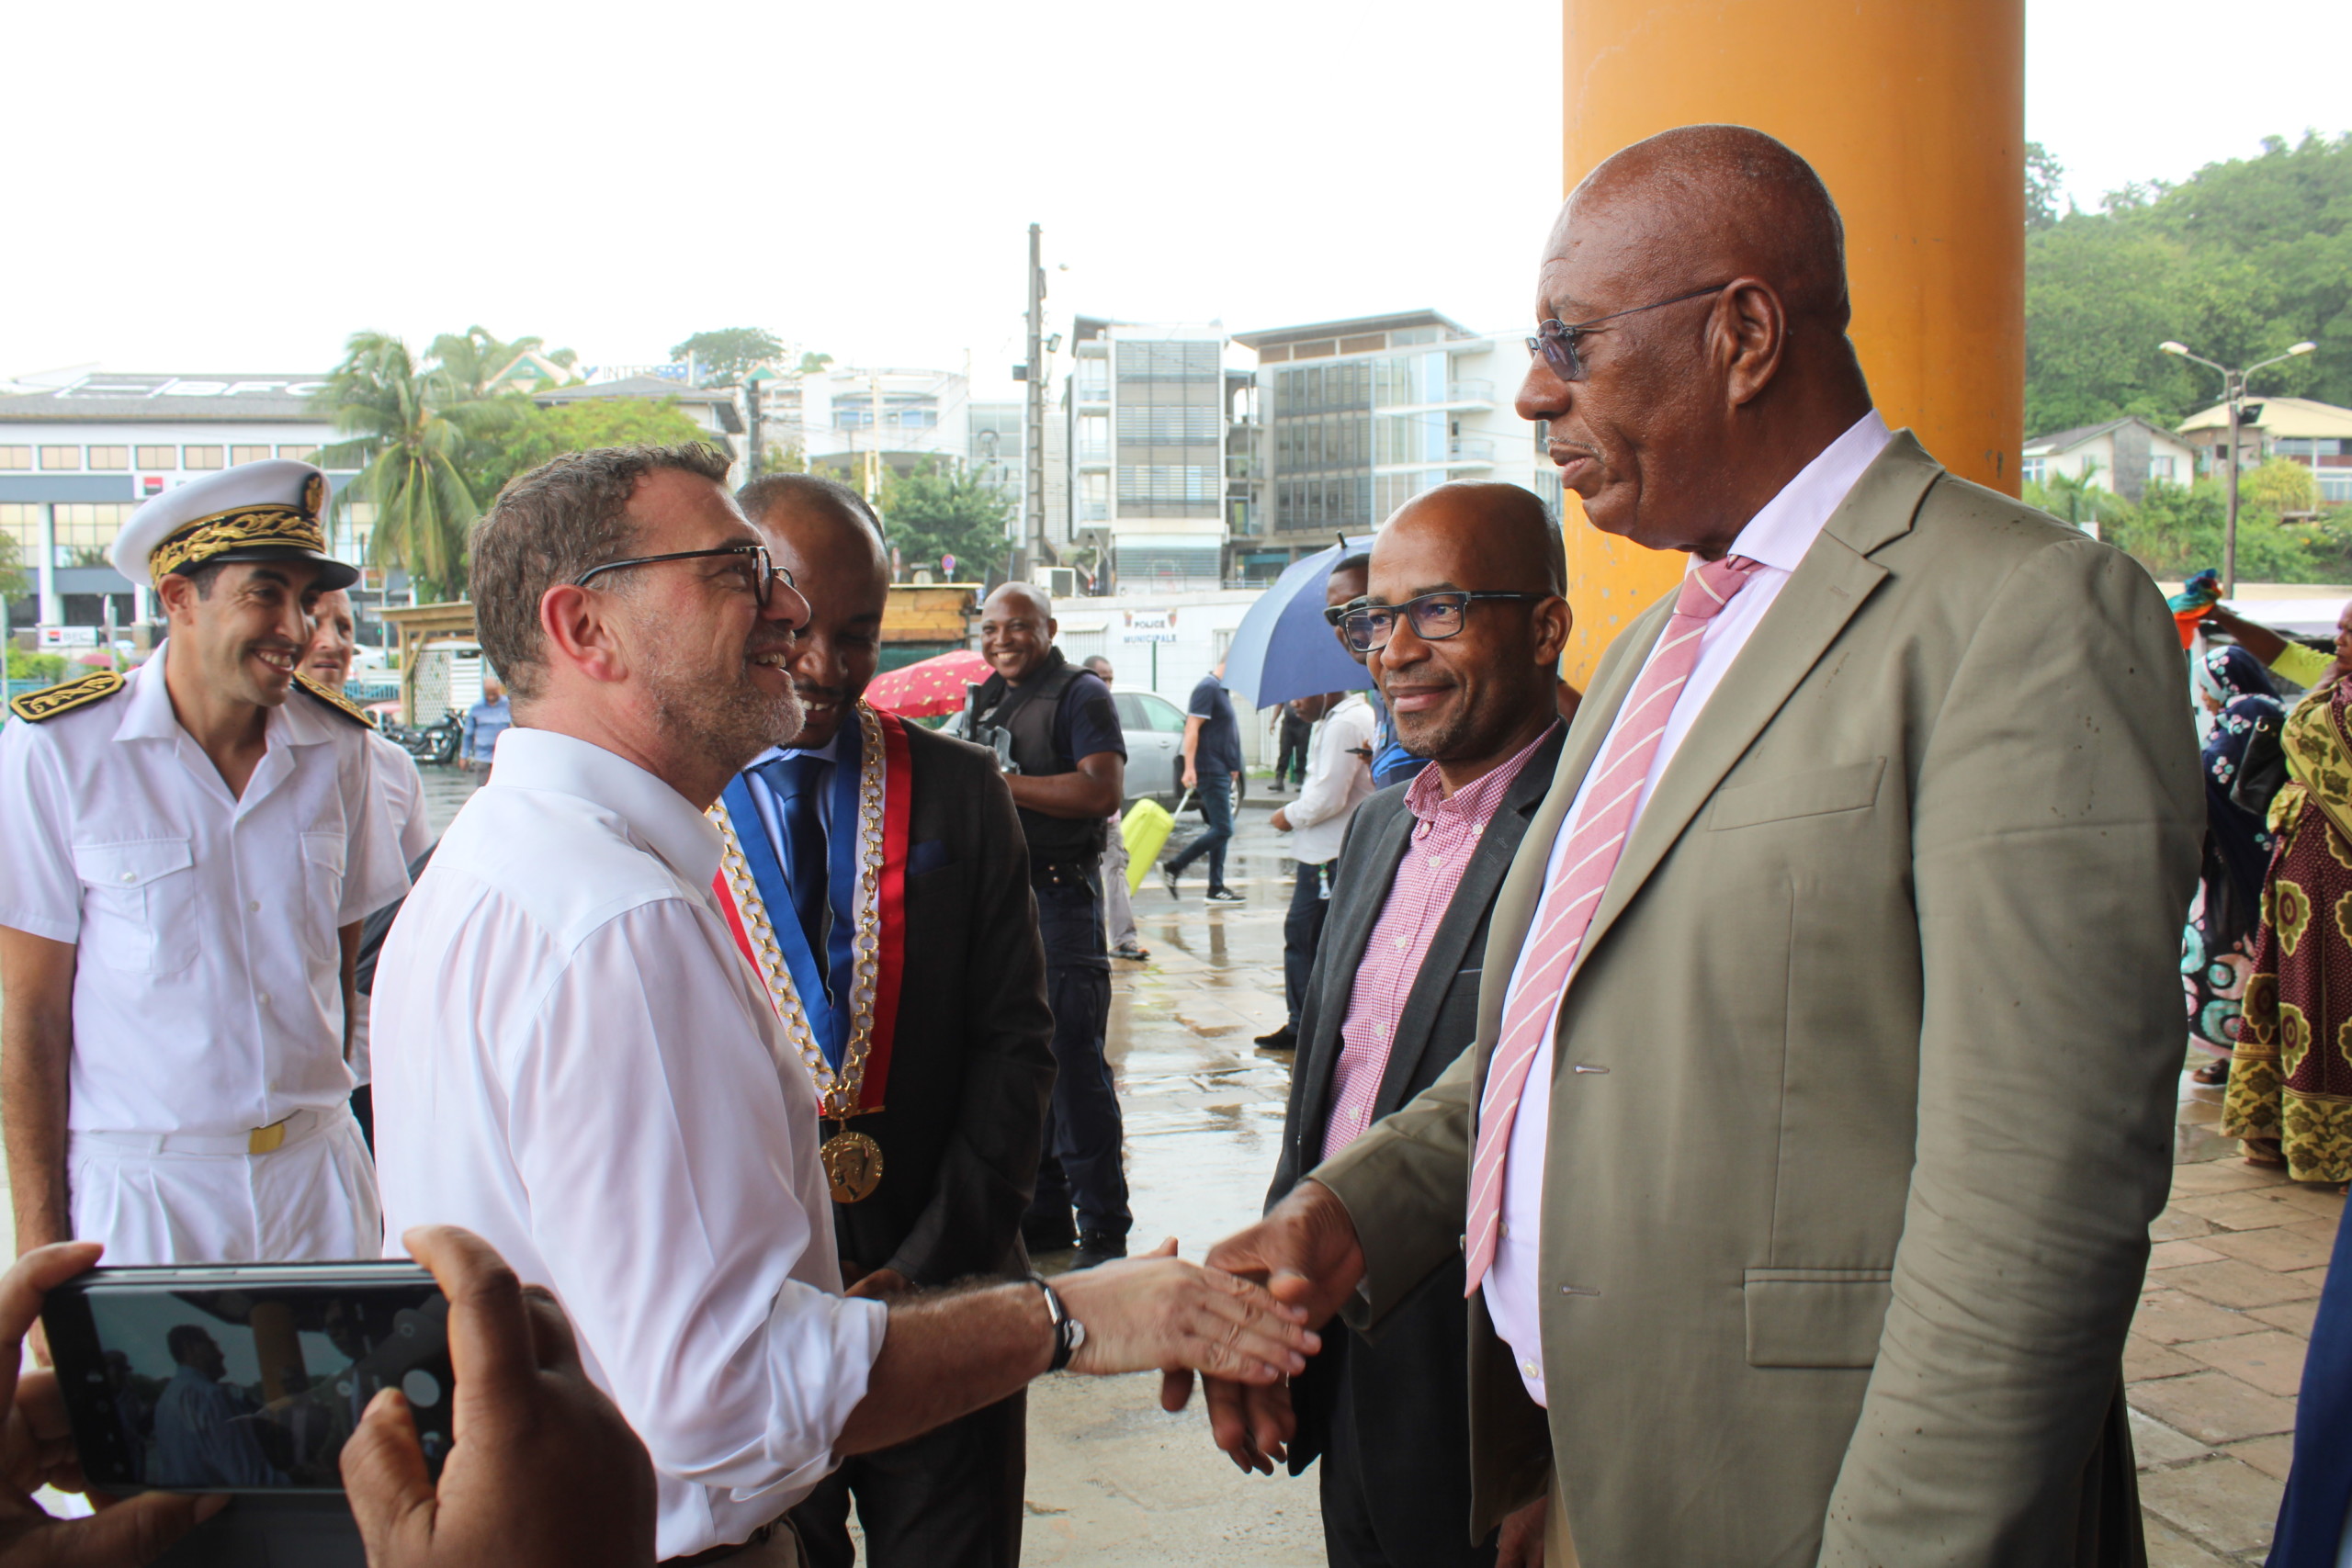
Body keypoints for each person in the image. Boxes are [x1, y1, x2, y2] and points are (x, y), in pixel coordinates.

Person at [1189, 125, 2199, 1565]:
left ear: (1742, 332)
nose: (1537, 393)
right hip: (1604, 1467)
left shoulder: (2019, 615)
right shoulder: (1673, 636)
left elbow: (2041, 1205)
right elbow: (1552, 1037)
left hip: (1810, 1498)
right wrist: (1343, 1216)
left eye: (1572, 342)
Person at [372, 446, 1311, 1565]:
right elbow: (723, 1402)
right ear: (586, 629)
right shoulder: (617, 924)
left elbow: (1015, 1049)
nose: (785, 610)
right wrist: (1076, 1316)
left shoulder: (490, 862)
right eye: (735, 571)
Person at [724, 474, 1057, 1568]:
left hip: (949, 1280)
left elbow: (1016, 1046)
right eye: (796, 629)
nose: (825, 666)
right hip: (751, 1316)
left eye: (858, 635)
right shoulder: (669, 807)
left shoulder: (961, 792)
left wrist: (927, 1266)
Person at [1261, 482, 1571, 1568]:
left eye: (1436, 611)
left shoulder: (1601, 823)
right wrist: (1274, 1327)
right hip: (1348, 1344)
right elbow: (1330, 1091)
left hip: (1494, 1385)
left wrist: (1556, 1457)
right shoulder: (1387, 817)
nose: (1391, 651)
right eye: (1371, 619)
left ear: (1543, 626)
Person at [0, 460, 407, 1276]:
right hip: (145, 1191)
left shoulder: (340, 749)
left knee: (351, 1410)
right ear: (179, 598)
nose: (294, 627)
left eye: (304, 600)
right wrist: (41, 1241)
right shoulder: (59, 753)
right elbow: (30, 1013)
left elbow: (341, 973)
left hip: (316, 1176)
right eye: (265, 593)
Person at [0, 1226, 657, 1568]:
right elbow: (244, 1465)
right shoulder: (198, 1399)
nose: (217, 1354)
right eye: (207, 1345)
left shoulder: (193, 1397)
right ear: (187, 1351)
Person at [959, 585, 1135, 1269]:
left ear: (1049, 628)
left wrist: (1002, 783)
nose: (1003, 639)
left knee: (1074, 1070)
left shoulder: (1080, 694)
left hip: (1060, 900)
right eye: (992, 627)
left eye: (1019, 627)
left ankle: (1105, 1231)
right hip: (999, 902)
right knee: (1018, 1068)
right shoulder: (983, 698)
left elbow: (1101, 790)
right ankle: (1046, 1216)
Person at [304, 588, 435, 1146]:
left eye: (346, 627)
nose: (332, 643)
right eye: (315, 621)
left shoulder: (388, 764)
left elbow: (417, 913)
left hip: (376, 1057)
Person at [2222, 650, 2352, 1185]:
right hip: (2305, 872)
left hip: (2337, 876)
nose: (2341, 638)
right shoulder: (2333, 686)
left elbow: (2312, 735)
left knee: (2332, 994)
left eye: (2351, 628)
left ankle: (2327, 1141)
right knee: (2299, 992)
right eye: (2340, 627)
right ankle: (2280, 1129)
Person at [2183, 645, 2284, 1087]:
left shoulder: (2247, 713)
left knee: (2229, 950)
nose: (2204, 697)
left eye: (2205, 687)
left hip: (2239, 865)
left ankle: (2240, 1053)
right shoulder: (2252, 713)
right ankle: (2237, 1051)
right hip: (2237, 859)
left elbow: (2215, 779)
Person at [1255, 689, 1374, 1053]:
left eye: (1301, 695)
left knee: (1306, 938)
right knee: (1316, 939)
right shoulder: (1338, 720)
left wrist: (1288, 815)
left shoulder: (1345, 723)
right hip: (1327, 850)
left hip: (1329, 853)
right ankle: (1312, 1024)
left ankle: (1305, 1026)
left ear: (1327, 688)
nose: (1293, 703)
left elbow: (1329, 797)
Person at [151, 1325, 283, 1489]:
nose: (221, 1354)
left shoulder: (166, 1400)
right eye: (212, 1345)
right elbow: (247, 1476)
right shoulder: (209, 1395)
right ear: (190, 1348)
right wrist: (295, 1481)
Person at [1083, 655, 1149, 961]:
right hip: (1083, 815)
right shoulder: (1080, 709)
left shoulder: (1109, 711)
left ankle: (1124, 939)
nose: (1106, 684)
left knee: (1116, 872)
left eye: (1110, 678)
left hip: (1109, 817)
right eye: (1101, 677)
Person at [1163, 659, 1246, 903]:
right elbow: (1192, 728)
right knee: (1223, 828)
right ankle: (1174, 866)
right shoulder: (1207, 688)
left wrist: (1233, 765)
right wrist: (1190, 768)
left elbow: (1222, 731)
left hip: (1222, 770)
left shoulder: (1221, 690)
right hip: (1210, 770)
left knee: (1220, 829)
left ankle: (1216, 887)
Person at [2202, 600, 2351, 693]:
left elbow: (2297, 732)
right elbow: (2285, 655)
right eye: (2340, 630)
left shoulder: (2334, 677)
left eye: (2350, 631)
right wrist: (2218, 615)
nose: (2339, 640)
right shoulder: (2338, 674)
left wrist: (2324, 685)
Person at [458, 677, 509, 771]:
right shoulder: (476, 708)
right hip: (483, 758)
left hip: (504, 759)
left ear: (499, 689)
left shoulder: (508, 705)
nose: (491, 697)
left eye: (493, 694)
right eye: (488, 694)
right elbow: (468, 735)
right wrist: (463, 756)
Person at [1274, 704, 1312, 792]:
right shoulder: (1285, 691)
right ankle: (1279, 780)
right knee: (1284, 752)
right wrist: (1273, 721)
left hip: (1304, 723)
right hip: (1288, 723)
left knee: (1301, 753)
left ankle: (1300, 780)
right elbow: (1279, 705)